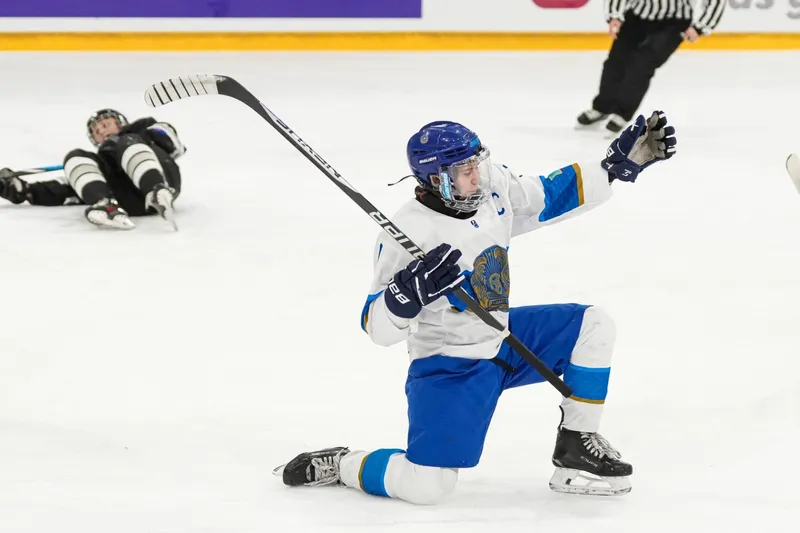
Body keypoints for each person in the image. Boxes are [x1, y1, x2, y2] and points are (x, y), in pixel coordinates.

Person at [272, 111, 677, 504]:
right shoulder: (407, 233)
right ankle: (344, 464)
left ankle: (575, 449)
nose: (477, 174)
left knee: (594, 325)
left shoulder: (491, 186)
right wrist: (406, 296)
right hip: (450, 365)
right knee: (427, 487)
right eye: (464, 169)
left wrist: (611, 167)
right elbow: (376, 327)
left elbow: (545, 196)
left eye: (476, 162)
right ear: (436, 179)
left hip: (504, 338)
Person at [0, 108, 186, 230]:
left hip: (164, 177)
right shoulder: (100, 161)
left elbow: (174, 146)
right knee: (75, 157)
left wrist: (153, 133)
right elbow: (68, 188)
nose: (102, 131)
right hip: (131, 201)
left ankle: (157, 190)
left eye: (105, 125)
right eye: (97, 132)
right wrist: (23, 190)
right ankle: (106, 205)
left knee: (128, 141)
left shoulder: (141, 130)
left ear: (120, 123)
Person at [577, 0, 725, 134]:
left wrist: (700, 26)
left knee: (642, 64)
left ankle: (622, 113)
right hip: (637, 16)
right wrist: (614, 15)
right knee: (616, 62)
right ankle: (602, 107)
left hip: (674, 22)